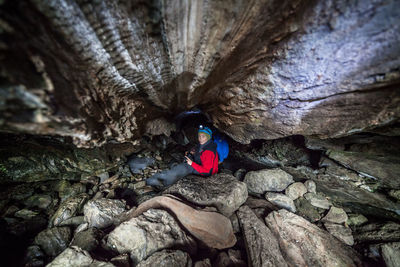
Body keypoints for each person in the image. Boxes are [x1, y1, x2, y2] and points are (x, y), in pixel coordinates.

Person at [146, 125, 219, 189]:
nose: (200, 138)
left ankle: (165, 182)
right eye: (199, 136)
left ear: (208, 138)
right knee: (187, 156)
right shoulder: (205, 144)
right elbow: (199, 152)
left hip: (206, 173)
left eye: (203, 136)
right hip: (200, 164)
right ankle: (174, 170)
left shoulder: (209, 152)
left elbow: (207, 171)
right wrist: (192, 153)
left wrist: (191, 164)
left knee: (186, 166)